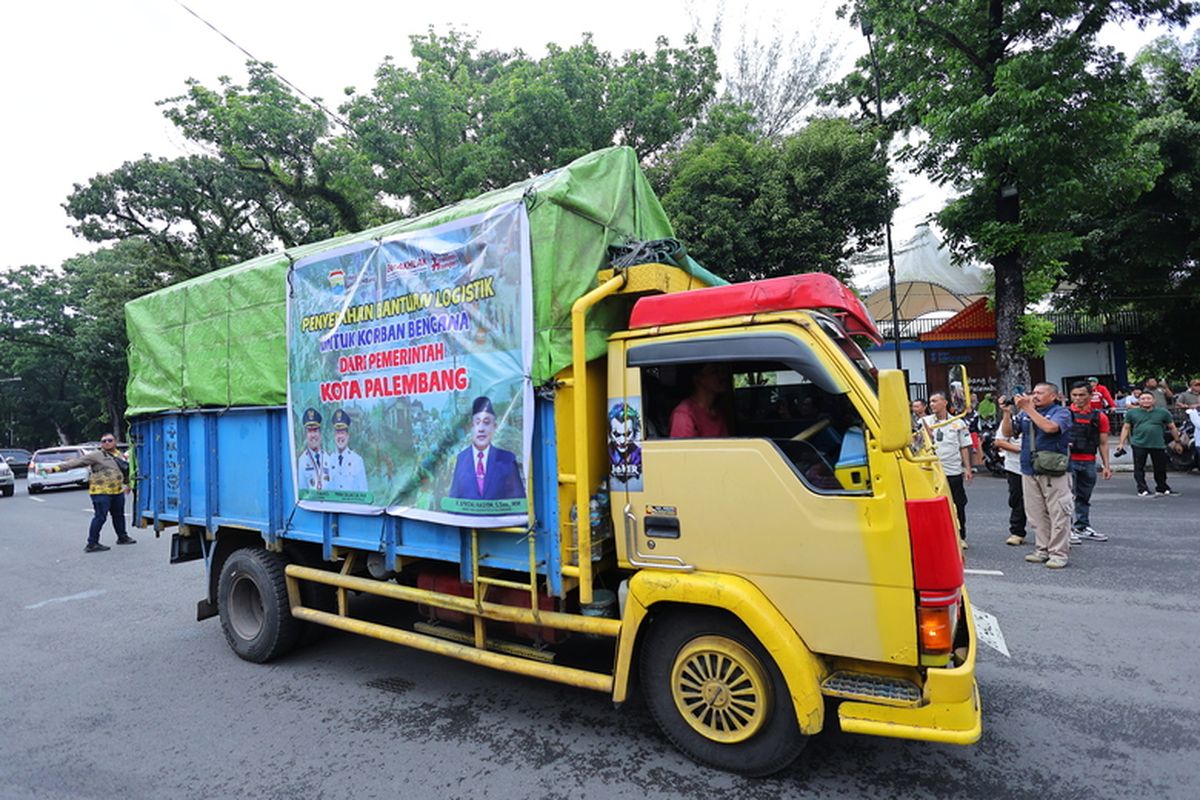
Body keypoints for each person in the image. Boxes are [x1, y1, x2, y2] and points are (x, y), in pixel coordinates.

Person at [1002, 382, 1073, 569]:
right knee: (1036, 513)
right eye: (1034, 392)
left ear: (1053, 396)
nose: (1035, 396)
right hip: (1028, 468)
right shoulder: (1025, 413)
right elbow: (1008, 433)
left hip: (1053, 469)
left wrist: (1028, 409)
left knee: (1058, 512)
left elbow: (1050, 428)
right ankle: (1042, 549)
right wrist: (1007, 412)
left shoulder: (1061, 412)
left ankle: (1058, 553)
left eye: (1040, 393)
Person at [42, 433, 135, 552]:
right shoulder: (96, 455)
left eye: (109, 440)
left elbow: (124, 470)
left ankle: (122, 537)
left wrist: (128, 484)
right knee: (100, 517)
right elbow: (76, 462)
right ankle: (92, 543)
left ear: (115, 442)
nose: (107, 443)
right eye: (104, 441)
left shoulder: (119, 455)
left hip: (116, 491)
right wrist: (55, 468)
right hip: (101, 491)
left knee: (118, 515)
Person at [448, 396, 525, 501]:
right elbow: (454, 500)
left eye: (486, 422)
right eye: (477, 423)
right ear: (471, 427)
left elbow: (518, 502)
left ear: (495, 426)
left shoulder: (508, 459)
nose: (481, 429)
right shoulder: (461, 459)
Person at [922, 392, 972, 545]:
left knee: (958, 503)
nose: (932, 404)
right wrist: (927, 436)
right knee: (932, 504)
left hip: (953, 469)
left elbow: (964, 446)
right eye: (930, 401)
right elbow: (917, 445)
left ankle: (960, 536)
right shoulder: (924, 421)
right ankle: (936, 536)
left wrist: (968, 468)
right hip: (932, 471)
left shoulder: (958, 422)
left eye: (935, 401)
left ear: (945, 402)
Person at [1066, 381, 1112, 543]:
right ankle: (1066, 529)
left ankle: (1082, 526)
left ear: (1090, 396)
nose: (1078, 398)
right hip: (1068, 462)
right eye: (1074, 395)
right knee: (1066, 498)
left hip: (1089, 461)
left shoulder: (1099, 417)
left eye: (1082, 395)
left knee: (1084, 497)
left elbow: (1103, 443)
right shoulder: (1064, 414)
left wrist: (1106, 466)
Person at [1118, 390, 1183, 497]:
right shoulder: (1132, 413)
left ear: (1154, 400)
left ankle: (1162, 487)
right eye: (1143, 399)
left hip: (1158, 444)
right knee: (1139, 467)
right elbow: (1126, 428)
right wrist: (1121, 443)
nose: (1146, 401)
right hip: (1139, 443)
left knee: (1160, 467)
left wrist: (1178, 442)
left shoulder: (1163, 412)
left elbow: (1172, 427)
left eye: (1148, 398)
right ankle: (1142, 489)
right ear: (1138, 401)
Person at [994, 400, 1028, 547]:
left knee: (1043, 502)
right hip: (1015, 467)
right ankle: (1017, 532)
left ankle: (1047, 534)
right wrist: (1022, 450)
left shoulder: (1043, 418)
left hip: (1038, 467)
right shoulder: (1013, 420)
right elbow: (1000, 441)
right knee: (1017, 500)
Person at [669, 363, 730, 438]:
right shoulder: (684, 414)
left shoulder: (717, 411)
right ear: (698, 378)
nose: (722, 376)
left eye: (722, 372)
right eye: (714, 372)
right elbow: (682, 449)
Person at [327, 408, 368, 493]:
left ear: (348, 436)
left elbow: (363, 492)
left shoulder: (357, 461)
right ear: (334, 436)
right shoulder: (328, 461)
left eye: (343, 433)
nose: (340, 437)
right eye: (338, 432)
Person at [607, 402, 643, 487]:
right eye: (616, 434)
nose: (622, 441)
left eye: (627, 434)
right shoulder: (606, 454)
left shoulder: (639, 454)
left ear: (634, 432)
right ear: (609, 433)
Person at [297, 407, 330, 491]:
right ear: (305, 434)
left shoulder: (328, 458)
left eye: (315, 430)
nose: (313, 435)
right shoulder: (302, 461)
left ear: (320, 433)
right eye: (310, 431)